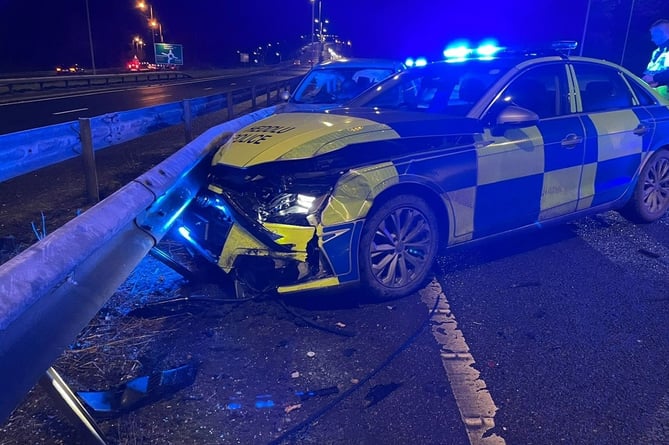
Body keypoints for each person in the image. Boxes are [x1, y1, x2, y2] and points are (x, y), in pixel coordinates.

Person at [642, 19, 669, 97]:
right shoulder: (656, 52)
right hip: (655, 97)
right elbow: (649, 72)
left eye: (654, 35)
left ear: (662, 33)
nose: (652, 39)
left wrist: (655, 78)